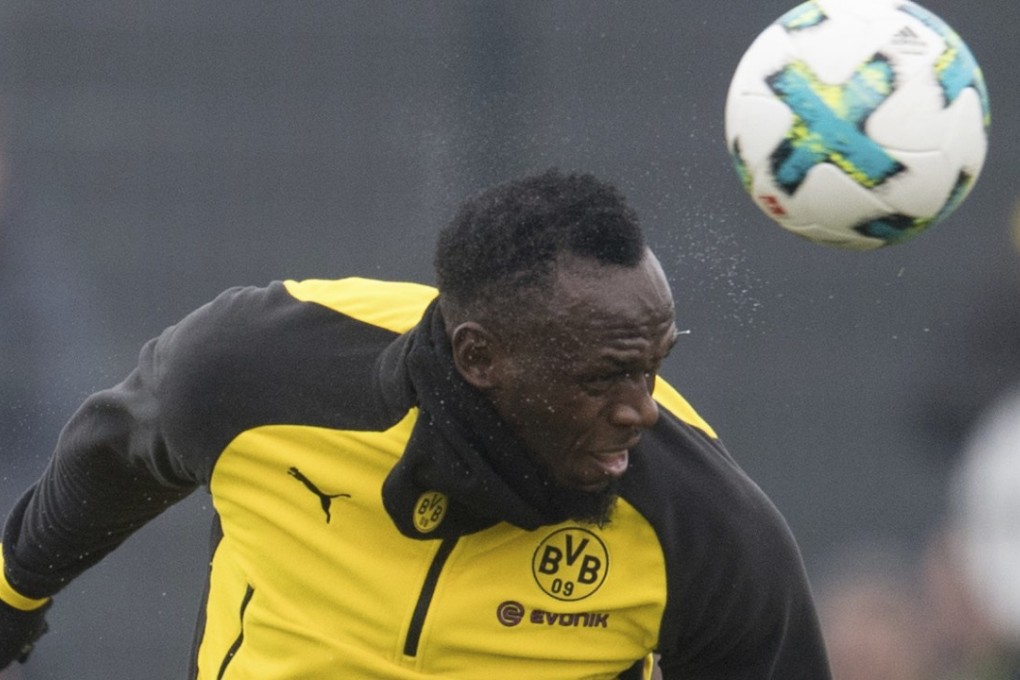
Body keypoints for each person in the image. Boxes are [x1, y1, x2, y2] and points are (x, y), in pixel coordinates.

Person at [0, 170, 831, 678]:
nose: (642, 408)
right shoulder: (252, 370)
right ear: (480, 359)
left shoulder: (707, 524)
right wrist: (14, 595)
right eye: (605, 377)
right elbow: (110, 458)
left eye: (656, 365)